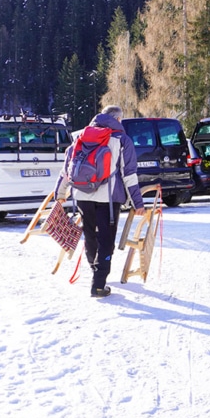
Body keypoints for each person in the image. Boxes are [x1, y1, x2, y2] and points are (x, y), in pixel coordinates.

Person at [55, 106, 145, 298]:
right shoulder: (121, 140)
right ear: (118, 120)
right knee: (106, 240)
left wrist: (60, 194)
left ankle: (95, 271)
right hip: (108, 199)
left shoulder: (81, 137)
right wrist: (138, 203)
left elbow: (66, 171)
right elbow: (129, 175)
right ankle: (98, 284)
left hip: (81, 196)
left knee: (90, 235)